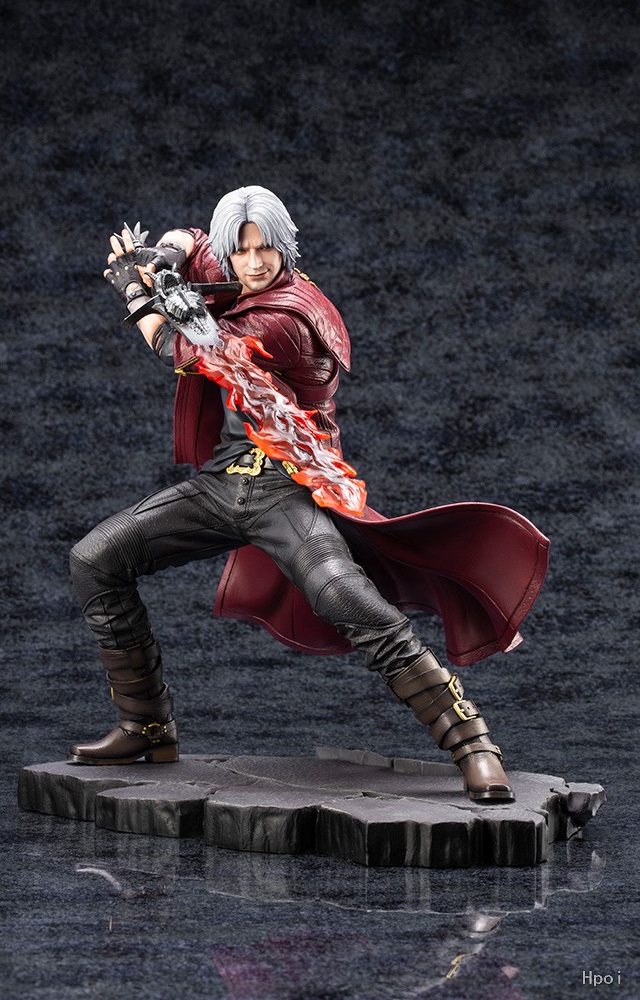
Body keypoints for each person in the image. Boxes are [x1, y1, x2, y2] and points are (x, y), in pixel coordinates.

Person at [68, 186, 549, 803]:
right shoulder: (235, 267)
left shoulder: (289, 318)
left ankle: (473, 744)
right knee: (95, 559)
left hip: (287, 488)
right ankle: (147, 727)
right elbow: (192, 239)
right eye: (242, 250)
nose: (253, 262)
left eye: (265, 249)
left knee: (347, 597)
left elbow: (183, 349)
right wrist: (163, 255)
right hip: (224, 479)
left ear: (285, 247)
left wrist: (137, 293)